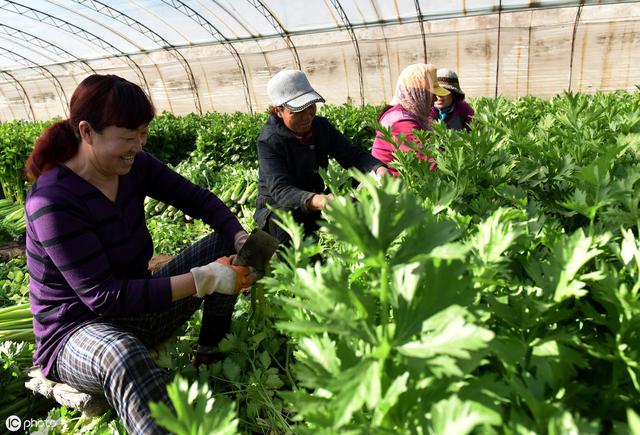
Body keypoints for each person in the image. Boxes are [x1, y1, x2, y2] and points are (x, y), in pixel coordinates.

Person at [24, 74, 259, 435]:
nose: (138, 144)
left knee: (222, 244)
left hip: (137, 308)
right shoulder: (52, 201)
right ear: (87, 132)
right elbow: (104, 297)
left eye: (143, 132)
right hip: (75, 333)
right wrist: (205, 279)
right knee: (121, 355)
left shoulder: (135, 166)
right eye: (127, 136)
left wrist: (239, 238)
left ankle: (210, 350)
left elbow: (197, 199)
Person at [254, 69, 389, 244]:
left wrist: (378, 169)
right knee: (288, 227)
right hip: (280, 209)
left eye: (310, 106)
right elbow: (281, 190)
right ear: (278, 111)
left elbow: (351, 155)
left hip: (317, 200)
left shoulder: (320, 127)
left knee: (359, 186)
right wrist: (324, 201)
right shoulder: (269, 140)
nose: (307, 116)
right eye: (297, 111)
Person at [371, 63, 450, 175]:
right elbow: (428, 164)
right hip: (393, 187)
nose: (434, 101)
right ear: (419, 94)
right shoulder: (401, 122)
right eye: (432, 95)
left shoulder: (410, 114)